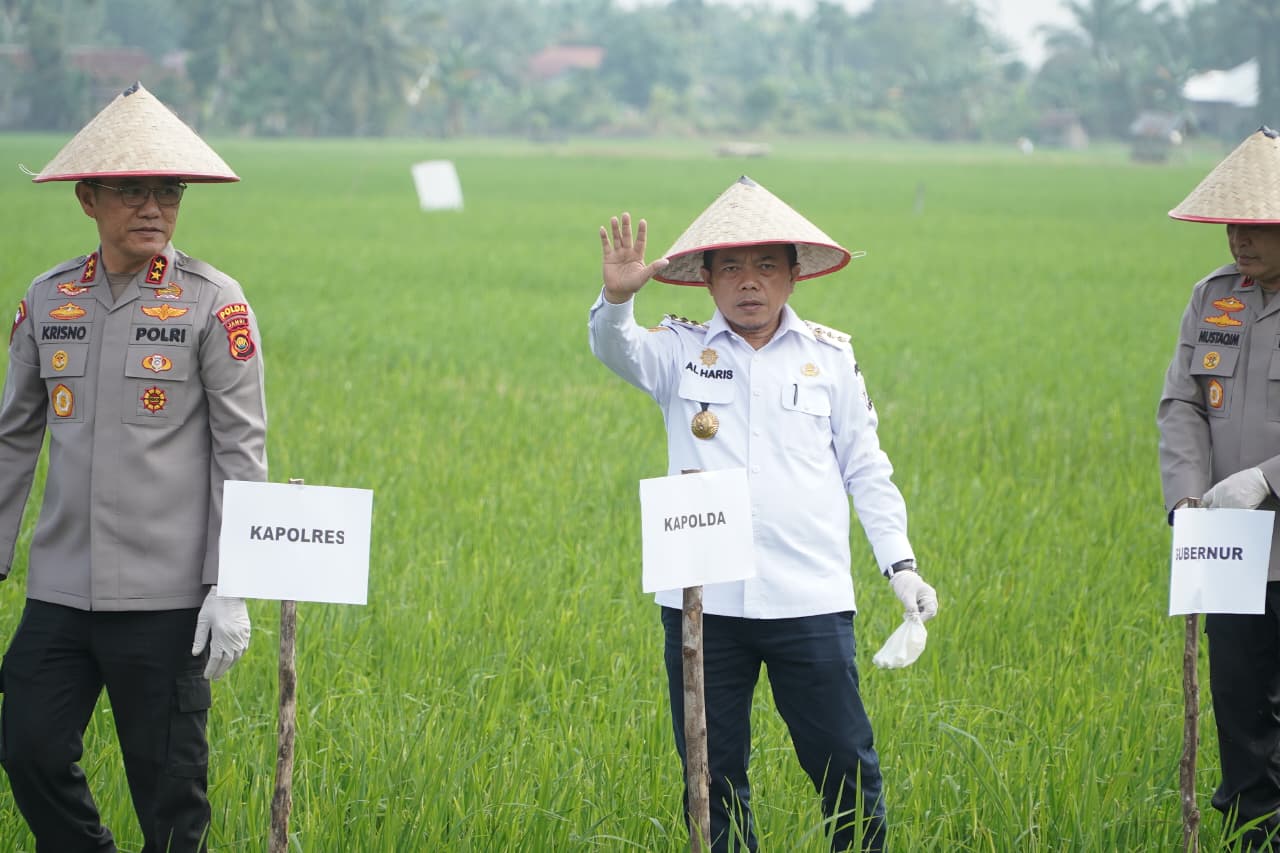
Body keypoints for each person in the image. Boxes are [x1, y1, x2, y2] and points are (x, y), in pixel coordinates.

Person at [589, 176, 939, 852]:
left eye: (766, 266)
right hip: (703, 603)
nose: (750, 282)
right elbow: (615, 347)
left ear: (793, 275)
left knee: (845, 764)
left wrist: (900, 565)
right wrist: (618, 299)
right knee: (710, 775)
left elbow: (867, 469)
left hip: (808, 597)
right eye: (732, 268)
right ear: (708, 279)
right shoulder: (679, 350)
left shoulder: (829, 358)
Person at [0, 82, 267, 852]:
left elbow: (241, 450)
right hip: (61, 589)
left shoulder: (213, 304)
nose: (153, 208)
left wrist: (231, 584)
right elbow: (14, 438)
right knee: (28, 748)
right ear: (87, 198)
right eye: (131, 191)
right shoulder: (50, 299)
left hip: (167, 600)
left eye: (168, 191)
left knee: (171, 794)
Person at [1159, 126, 1280, 851]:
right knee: (1240, 713)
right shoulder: (1214, 298)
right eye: (1234, 225)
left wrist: (1266, 478)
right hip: (1229, 549)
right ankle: (1254, 838)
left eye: (1257, 226)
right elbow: (1182, 404)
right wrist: (1187, 497)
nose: (1241, 239)